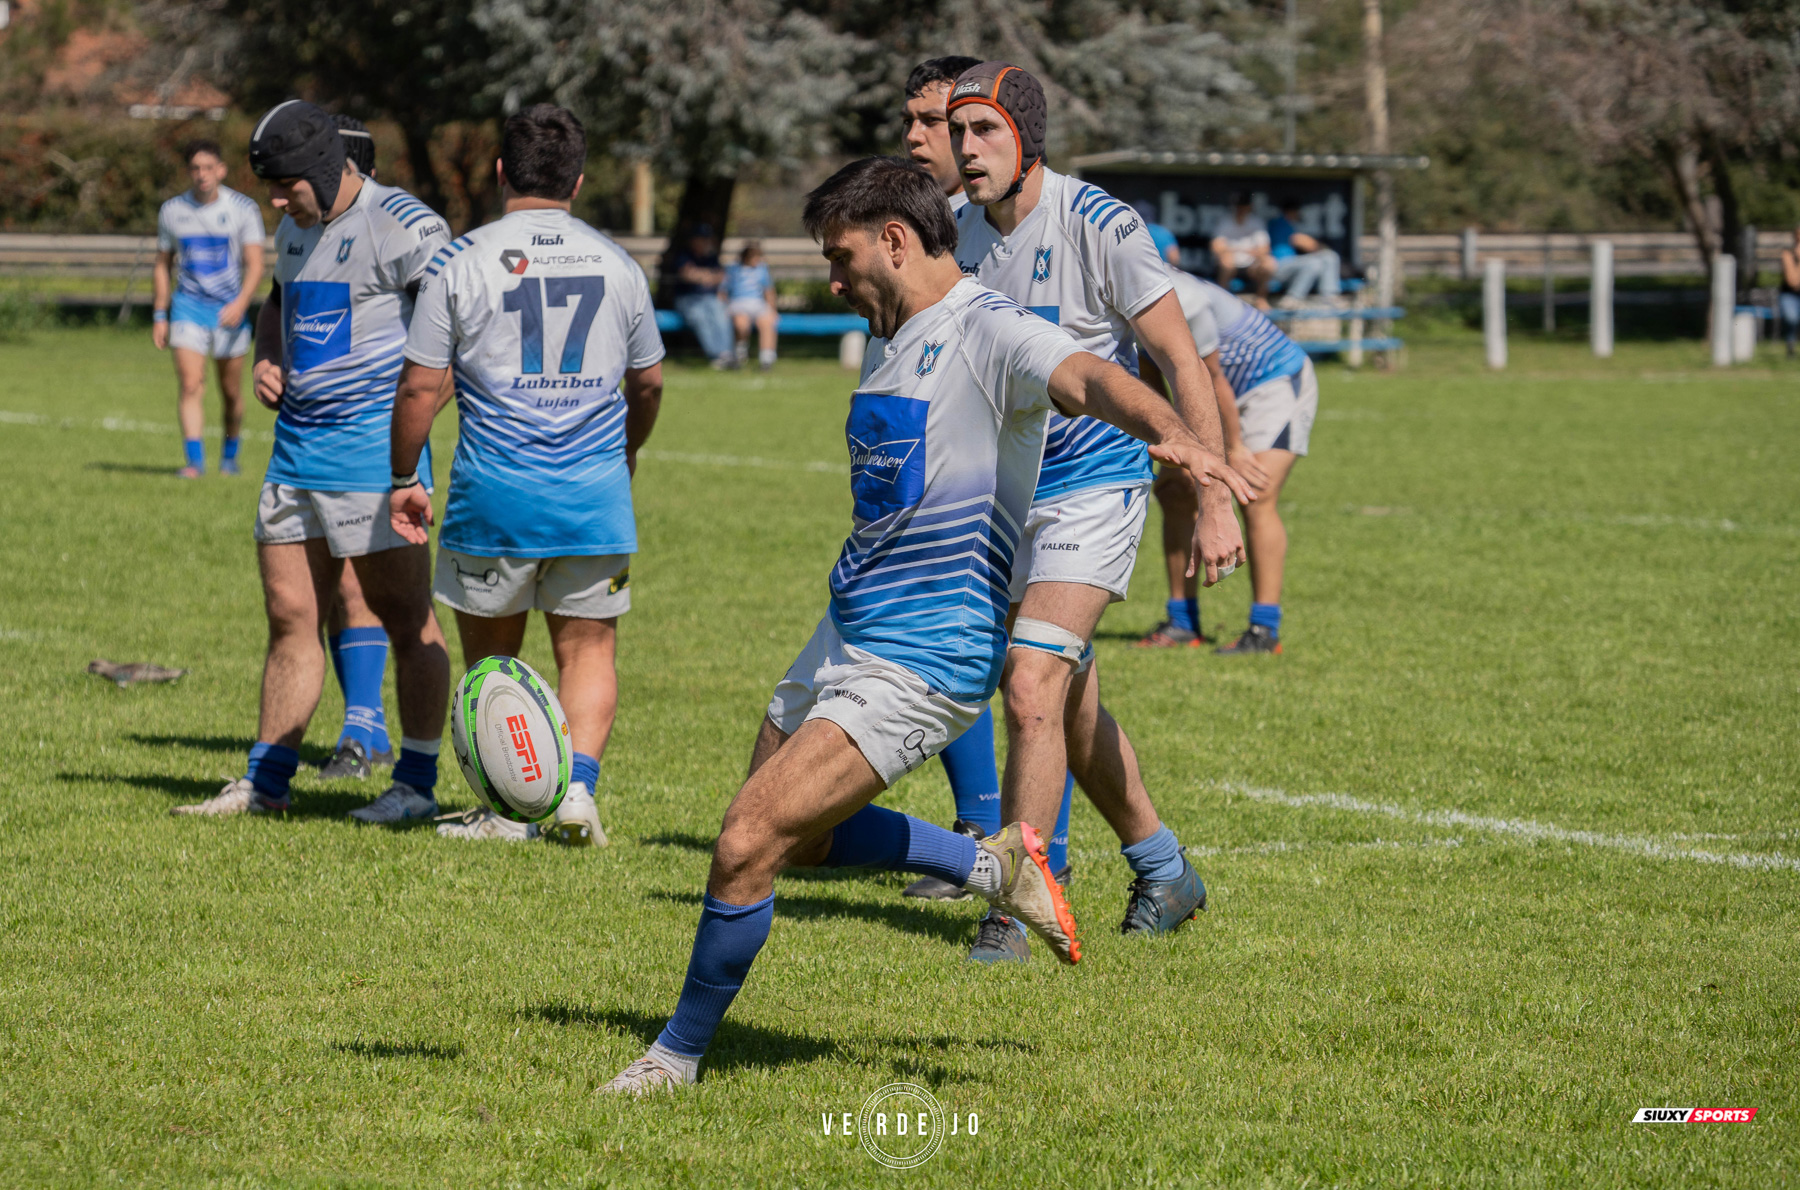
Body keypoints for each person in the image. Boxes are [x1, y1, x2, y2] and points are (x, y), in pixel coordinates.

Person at [600, 155, 1240, 1095]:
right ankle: (990, 866)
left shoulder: (991, 327)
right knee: (800, 842)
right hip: (846, 630)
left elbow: (1093, 376)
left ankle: (674, 1059)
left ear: (894, 241)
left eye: (839, 256)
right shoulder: (892, 332)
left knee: (743, 842)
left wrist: (1174, 436)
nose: (831, 279)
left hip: (925, 654)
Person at [948, 62, 1254, 961]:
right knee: (1067, 699)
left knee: (1030, 684)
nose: (967, 150)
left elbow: (1181, 361)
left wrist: (1210, 497)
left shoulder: (1099, 224)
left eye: (985, 132)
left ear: (1027, 137)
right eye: (959, 133)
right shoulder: (959, 233)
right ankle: (1164, 867)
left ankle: (1020, 895)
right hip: (1008, 496)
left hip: (1095, 487)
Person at [389, 103, 665, 847]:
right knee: (590, 651)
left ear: (503, 171)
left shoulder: (461, 260)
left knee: (493, 665)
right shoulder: (618, 263)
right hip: (593, 494)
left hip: (495, 495)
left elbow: (419, 388)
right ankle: (575, 793)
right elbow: (649, 386)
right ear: (579, 178)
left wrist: (403, 475)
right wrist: (629, 448)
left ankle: (507, 811)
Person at [171, 100, 452, 822]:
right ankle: (265, 785)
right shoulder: (295, 226)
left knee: (407, 619)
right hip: (295, 458)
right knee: (291, 616)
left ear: (328, 169)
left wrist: (409, 442)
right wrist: (269, 355)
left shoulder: (407, 227)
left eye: (287, 182)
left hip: (375, 465)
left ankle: (415, 786)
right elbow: (276, 303)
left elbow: (459, 331)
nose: (274, 197)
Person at [891, 53, 1005, 901]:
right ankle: (981, 832)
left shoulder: (1003, 224)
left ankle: (1017, 850)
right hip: (937, 474)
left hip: (1018, 490)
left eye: (931, 120)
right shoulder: (930, 225)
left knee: (1038, 680)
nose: (918, 137)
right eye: (922, 122)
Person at [1140, 269, 1316, 655]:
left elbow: (1211, 377)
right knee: (1173, 492)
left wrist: (1233, 448)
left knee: (1253, 494)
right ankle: (1183, 622)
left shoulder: (1185, 297)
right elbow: (1149, 370)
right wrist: (1168, 439)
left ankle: (1264, 631)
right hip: (1211, 395)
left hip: (1271, 384)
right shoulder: (1115, 291)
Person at [316, 112, 396, 782]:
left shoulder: (391, 229)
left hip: (376, 437)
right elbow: (281, 301)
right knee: (330, 588)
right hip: (313, 438)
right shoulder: (310, 233)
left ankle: (365, 731)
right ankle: (364, 725)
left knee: (360, 585)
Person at [151, 138, 265, 478]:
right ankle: (194, 463)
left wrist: (241, 303)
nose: (202, 175)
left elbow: (255, 264)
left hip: (229, 311)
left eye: (208, 168)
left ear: (221, 170)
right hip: (187, 307)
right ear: (190, 172)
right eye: (195, 168)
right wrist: (160, 313)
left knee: (230, 393)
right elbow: (161, 264)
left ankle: (229, 457)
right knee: (190, 384)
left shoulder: (243, 209)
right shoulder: (172, 211)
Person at [669, 226, 734, 367]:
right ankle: (716, 356)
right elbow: (687, 275)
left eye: (706, 239)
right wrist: (707, 276)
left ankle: (726, 354)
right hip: (687, 299)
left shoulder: (711, 257)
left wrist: (700, 275)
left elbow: (720, 276)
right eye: (701, 239)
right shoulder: (683, 255)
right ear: (693, 240)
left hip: (709, 298)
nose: (705, 242)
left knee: (720, 313)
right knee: (700, 317)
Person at [1267, 197, 1342, 305]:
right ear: (1291, 212)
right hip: (1278, 266)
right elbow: (1306, 243)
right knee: (1315, 262)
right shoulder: (1280, 223)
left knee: (1330, 257)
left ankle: (1330, 295)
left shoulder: (1288, 224)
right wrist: (1322, 247)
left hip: (1290, 267)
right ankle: (1293, 298)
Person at [1210, 192, 1274, 304]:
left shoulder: (1256, 222)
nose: (1241, 208)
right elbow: (1217, 247)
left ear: (1249, 207)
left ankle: (1261, 299)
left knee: (1269, 263)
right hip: (1231, 264)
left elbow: (1264, 249)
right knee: (1227, 261)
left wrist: (1235, 249)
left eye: (1244, 205)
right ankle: (1223, 300)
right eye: (1239, 205)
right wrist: (1243, 251)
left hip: (1251, 266)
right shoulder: (1225, 221)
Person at [723, 241, 777, 370]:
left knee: (767, 322)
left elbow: (768, 291)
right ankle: (739, 353)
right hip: (739, 302)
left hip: (757, 303)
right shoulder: (733, 269)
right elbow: (723, 291)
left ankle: (766, 358)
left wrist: (773, 309)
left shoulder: (762, 269)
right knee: (742, 324)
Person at [1780, 227, 1800, 359]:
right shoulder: (1787, 254)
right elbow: (1793, 282)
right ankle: (1791, 347)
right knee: (1791, 318)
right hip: (1790, 295)